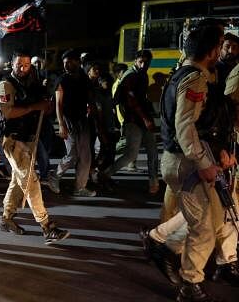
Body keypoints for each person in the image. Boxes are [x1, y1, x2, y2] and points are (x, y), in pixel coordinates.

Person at [158, 22, 236, 301]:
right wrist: (205, 164)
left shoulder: (189, 74)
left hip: (187, 158)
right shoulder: (194, 79)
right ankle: (189, 284)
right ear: (213, 50)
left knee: (213, 221)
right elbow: (185, 127)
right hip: (186, 162)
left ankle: (168, 250)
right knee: (203, 225)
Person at [0, 51, 71, 241]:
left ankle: (6, 219)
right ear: (11, 64)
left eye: (26, 65)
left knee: (18, 182)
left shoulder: (31, 84)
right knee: (31, 181)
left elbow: (43, 105)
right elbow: (8, 113)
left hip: (29, 139)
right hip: (13, 141)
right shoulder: (5, 86)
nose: (22, 68)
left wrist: (44, 104)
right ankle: (47, 226)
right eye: (19, 64)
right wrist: (34, 107)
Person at [101, 50, 159, 193]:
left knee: (152, 150)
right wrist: (145, 119)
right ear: (135, 61)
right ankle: (104, 174)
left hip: (140, 118)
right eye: (141, 61)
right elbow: (131, 101)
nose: (143, 64)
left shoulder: (141, 74)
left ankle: (153, 181)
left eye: (146, 62)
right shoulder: (131, 76)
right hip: (133, 119)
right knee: (131, 154)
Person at [47, 50, 96, 197]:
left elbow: (90, 98)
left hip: (82, 119)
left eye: (70, 62)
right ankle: (55, 176)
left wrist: (92, 112)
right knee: (72, 153)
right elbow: (58, 104)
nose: (67, 65)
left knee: (86, 155)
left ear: (78, 62)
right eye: (65, 63)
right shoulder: (62, 80)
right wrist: (61, 124)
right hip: (68, 119)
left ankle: (80, 187)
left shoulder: (84, 79)